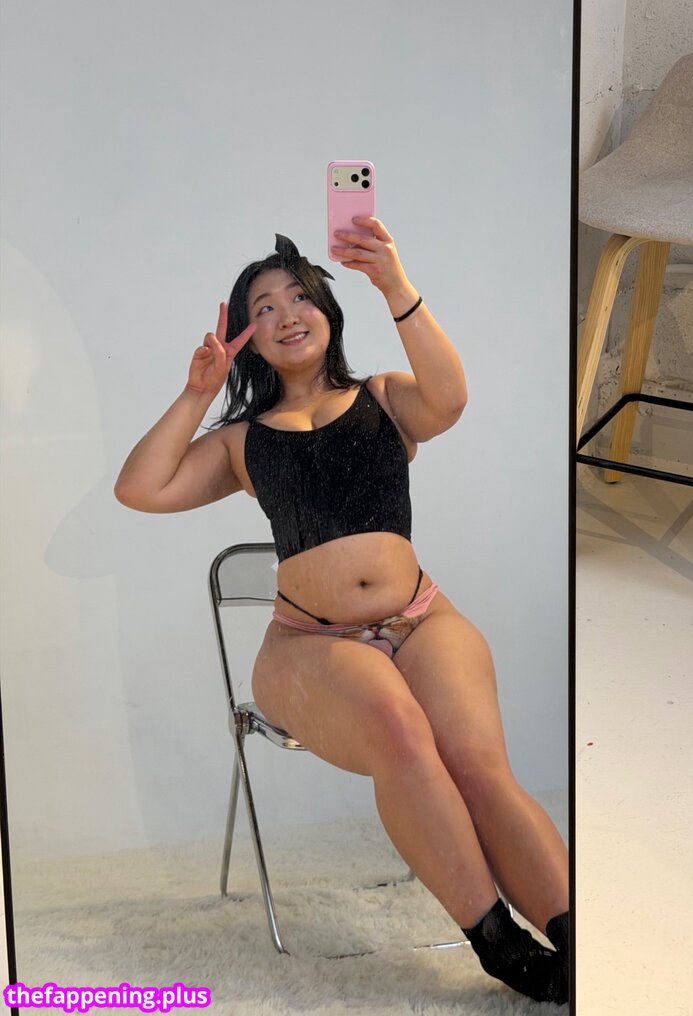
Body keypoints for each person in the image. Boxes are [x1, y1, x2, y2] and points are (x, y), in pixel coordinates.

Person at [115, 217, 570, 1006]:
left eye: (299, 296)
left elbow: (451, 399)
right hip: (309, 645)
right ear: (247, 338)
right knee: (401, 732)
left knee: (477, 767)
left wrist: (394, 284)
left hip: (420, 618)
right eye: (263, 308)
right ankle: (497, 942)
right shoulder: (240, 441)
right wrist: (197, 393)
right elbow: (140, 488)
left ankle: (580, 939)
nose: (286, 314)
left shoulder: (384, 397)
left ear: (328, 310)